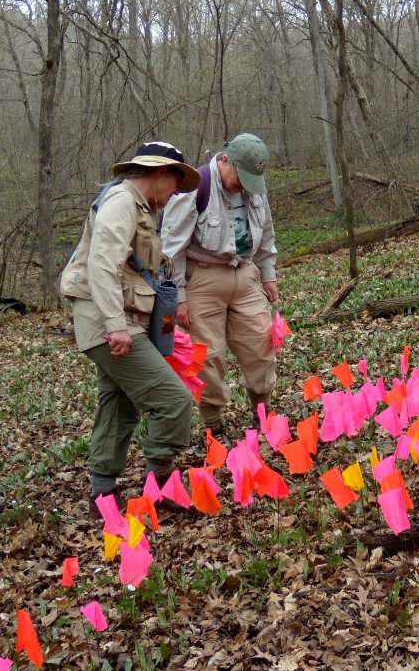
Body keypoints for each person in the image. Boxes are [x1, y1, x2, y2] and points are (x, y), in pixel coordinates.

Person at [60, 141, 201, 515]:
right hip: (110, 322)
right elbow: (102, 266)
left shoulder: (141, 206)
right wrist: (116, 326)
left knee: (118, 404)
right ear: (158, 173)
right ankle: (159, 487)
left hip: (123, 319)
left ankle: (102, 495)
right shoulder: (122, 202)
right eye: (174, 182)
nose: (175, 194)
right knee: (174, 400)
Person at [160, 133, 278, 438]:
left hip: (246, 273)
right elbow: (171, 249)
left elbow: (265, 233)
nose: (245, 186)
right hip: (203, 277)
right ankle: (213, 423)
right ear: (226, 160)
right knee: (208, 356)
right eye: (242, 177)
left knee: (261, 345)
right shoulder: (194, 188)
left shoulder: (255, 189)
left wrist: (268, 274)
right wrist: (179, 297)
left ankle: (262, 412)